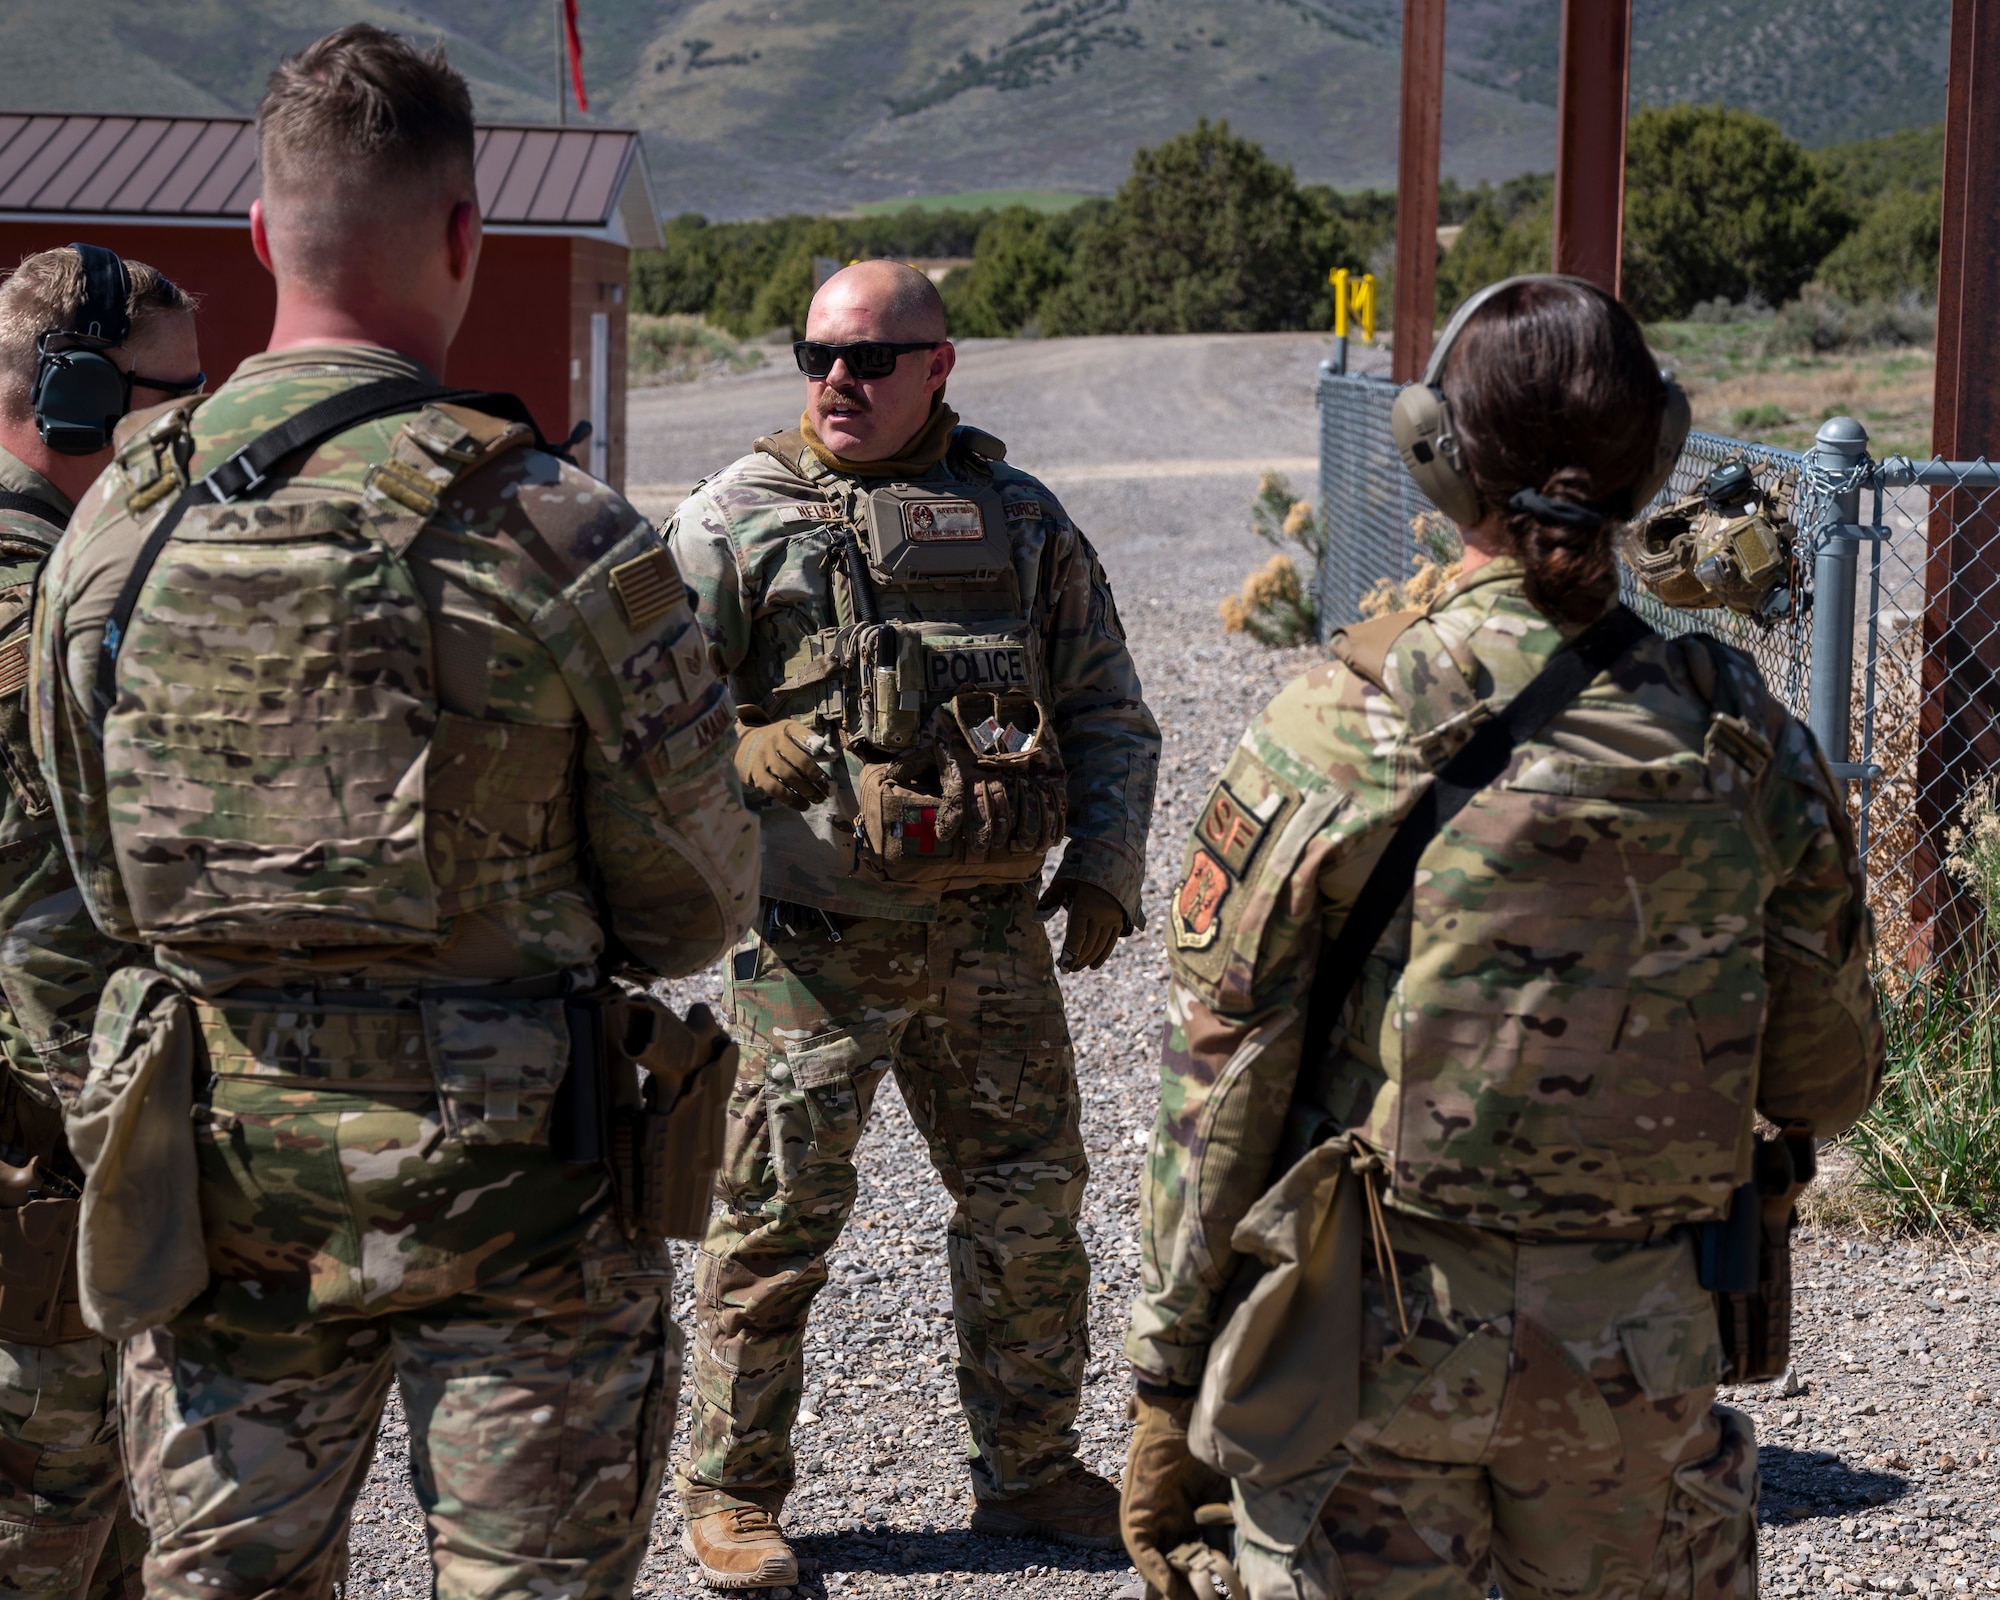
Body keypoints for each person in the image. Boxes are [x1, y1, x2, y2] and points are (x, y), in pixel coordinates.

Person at [32, 26, 757, 1599]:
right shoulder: (557, 528)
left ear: (256, 235)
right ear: (461, 234)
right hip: (522, 1206)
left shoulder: (113, 530)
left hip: (224, 1191)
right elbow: (698, 898)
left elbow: (102, 878)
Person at [1120, 276, 1884, 1600]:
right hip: (1641, 1366)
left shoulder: (1340, 720)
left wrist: (1165, 1373)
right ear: (1657, 460)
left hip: (1374, 1349)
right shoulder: (1743, 736)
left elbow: (1223, 1072)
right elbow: (1828, 1081)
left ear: (1434, 453)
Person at [664, 259, 1162, 1585]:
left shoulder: (1023, 521)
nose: (840, 379)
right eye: (816, 352)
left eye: (873, 359)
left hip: (989, 939)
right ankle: (732, 1493)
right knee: (772, 1221)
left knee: (1031, 1209)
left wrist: (1105, 866)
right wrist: (739, 749)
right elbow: (631, 725)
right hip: (811, 950)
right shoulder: (734, 520)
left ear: (939, 366)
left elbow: (1108, 706)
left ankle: (1032, 1468)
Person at [0, 242, 201, 1600]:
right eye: (171, 401)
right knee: (50, 1514)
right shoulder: (47, 607)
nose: (194, 431)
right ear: (78, 399)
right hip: (47, 1145)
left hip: (82, 1139)